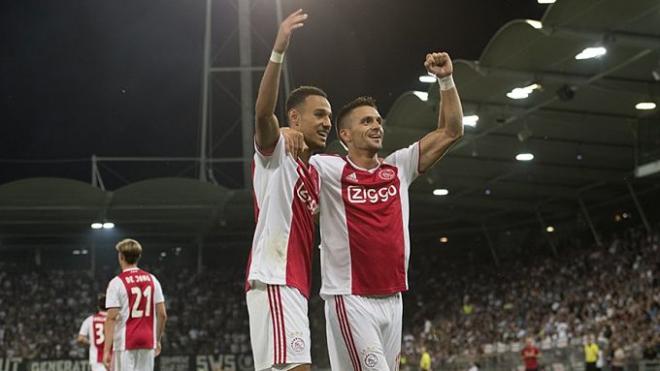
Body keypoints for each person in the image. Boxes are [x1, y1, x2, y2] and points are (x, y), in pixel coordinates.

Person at [309, 51, 463, 370]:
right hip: (350, 297)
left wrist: (446, 80)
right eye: (367, 121)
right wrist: (287, 134)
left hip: (394, 299)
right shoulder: (326, 168)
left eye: (379, 120)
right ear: (345, 135)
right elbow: (285, 158)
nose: (377, 126)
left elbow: (451, 131)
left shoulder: (398, 167)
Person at [245, 8, 332, 371]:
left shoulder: (314, 173)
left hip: (293, 284)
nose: (327, 122)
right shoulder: (277, 154)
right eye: (319, 115)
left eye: (329, 116)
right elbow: (264, 115)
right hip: (275, 277)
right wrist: (278, 50)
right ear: (294, 118)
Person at [103, 239, 167, 371]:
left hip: (126, 342)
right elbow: (162, 314)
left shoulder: (117, 283)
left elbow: (111, 317)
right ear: (139, 257)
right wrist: (158, 340)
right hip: (148, 341)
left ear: (121, 257)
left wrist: (106, 350)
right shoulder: (152, 279)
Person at [77, 294, 108, 371]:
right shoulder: (115, 320)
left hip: (96, 359)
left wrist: (91, 342)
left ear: (98, 307)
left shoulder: (90, 320)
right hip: (113, 357)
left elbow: (80, 339)